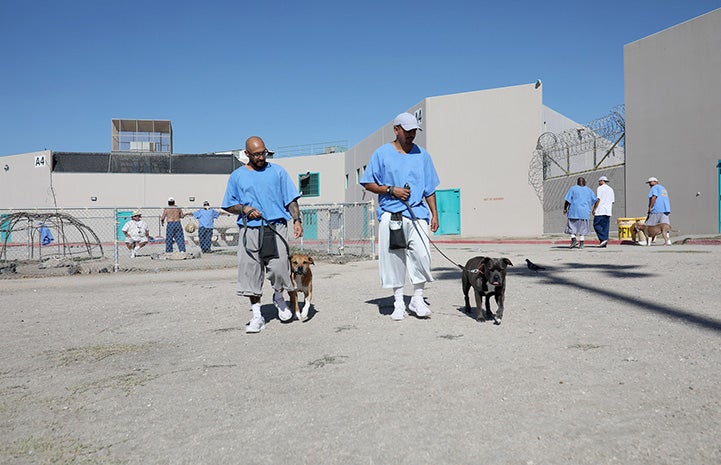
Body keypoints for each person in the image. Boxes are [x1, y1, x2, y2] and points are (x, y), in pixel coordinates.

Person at [360, 112, 440, 321]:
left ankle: (417, 298)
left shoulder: (423, 155)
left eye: (414, 131)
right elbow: (368, 182)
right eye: (407, 131)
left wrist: (434, 214)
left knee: (422, 255)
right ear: (396, 130)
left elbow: (429, 188)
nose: (412, 134)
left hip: (417, 214)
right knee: (394, 259)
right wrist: (390, 190)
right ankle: (398, 302)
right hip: (391, 214)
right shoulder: (381, 154)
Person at [222, 136, 304, 334]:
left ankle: (278, 296)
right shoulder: (237, 176)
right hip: (250, 228)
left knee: (279, 268)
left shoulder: (278, 172)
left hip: (276, 227)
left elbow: (291, 199)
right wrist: (245, 208)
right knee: (251, 271)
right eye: (256, 154)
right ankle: (257, 315)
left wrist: (297, 220)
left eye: (263, 153)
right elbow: (228, 205)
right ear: (247, 154)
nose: (261, 157)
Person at [563, 176, 598, 249]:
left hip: (574, 211)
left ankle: (574, 239)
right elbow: (596, 200)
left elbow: (567, 200)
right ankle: (581, 243)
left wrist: (565, 209)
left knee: (571, 226)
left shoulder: (573, 189)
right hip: (584, 212)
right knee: (583, 228)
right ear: (584, 182)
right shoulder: (589, 190)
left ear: (577, 182)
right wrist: (593, 209)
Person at [645, 176, 672, 245]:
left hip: (657, 209)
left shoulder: (654, 188)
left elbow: (654, 197)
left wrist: (650, 208)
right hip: (665, 209)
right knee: (665, 226)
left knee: (648, 225)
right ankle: (668, 241)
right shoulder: (663, 188)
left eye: (650, 182)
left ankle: (648, 242)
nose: (649, 184)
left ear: (655, 182)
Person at [592, 175, 615, 247]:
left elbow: (598, 199)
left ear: (602, 181)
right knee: (605, 226)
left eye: (599, 181)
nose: (599, 182)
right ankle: (603, 241)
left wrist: (594, 209)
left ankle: (603, 238)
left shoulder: (600, 188)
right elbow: (612, 201)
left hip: (600, 210)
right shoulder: (611, 189)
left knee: (596, 225)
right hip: (607, 211)